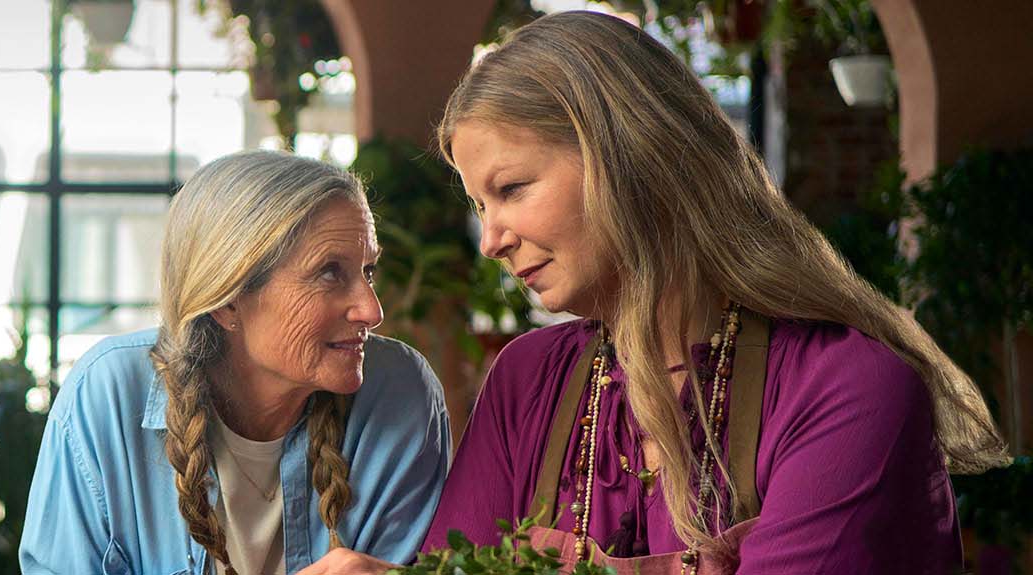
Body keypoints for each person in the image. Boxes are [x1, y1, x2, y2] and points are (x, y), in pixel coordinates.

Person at [421, 11, 1007, 574]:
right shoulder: (525, 382)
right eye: (480, 206)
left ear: (628, 156)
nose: (491, 241)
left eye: (512, 188)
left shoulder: (846, 387)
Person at [19, 151, 450, 575]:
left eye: (368, 271)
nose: (371, 311)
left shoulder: (400, 393)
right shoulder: (110, 396)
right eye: (330, 273)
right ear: (226, 302)